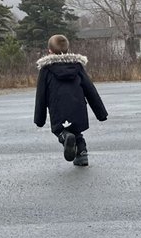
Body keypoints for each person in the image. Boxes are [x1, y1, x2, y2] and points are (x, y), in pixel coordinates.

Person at [33, 34, 108, 166]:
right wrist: (101, 113)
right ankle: (82, 154)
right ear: (68, 49)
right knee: (76, 129)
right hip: (78, 106)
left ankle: (65, 137)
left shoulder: (46, 69)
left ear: (49, 51)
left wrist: (39, 119)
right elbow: (90, 90)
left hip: (58, 107)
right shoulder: (77, 66)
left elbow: (41, 95)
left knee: (60, 130)